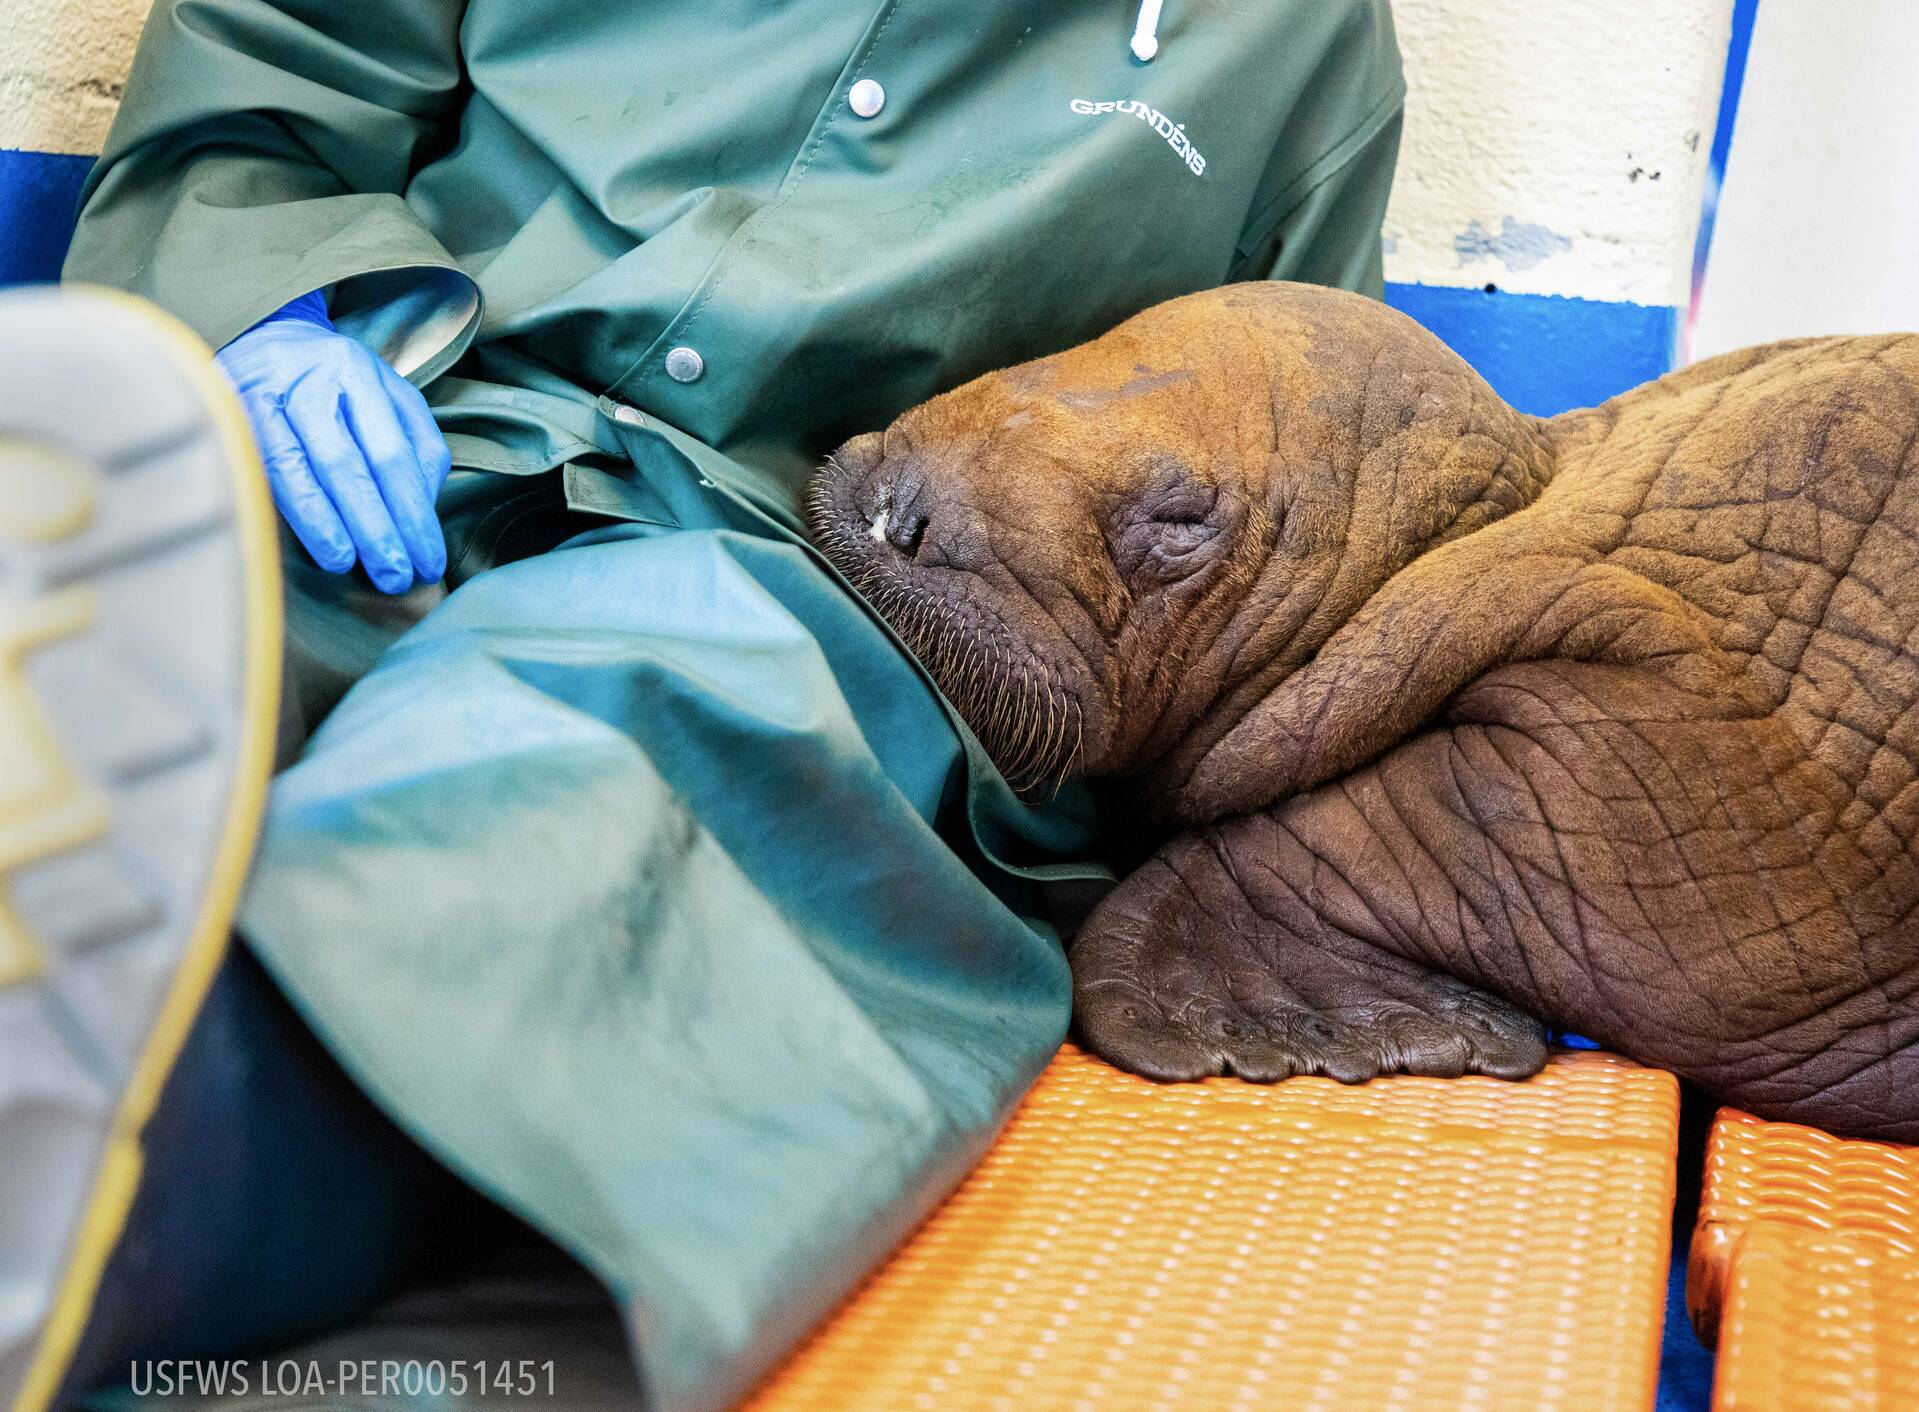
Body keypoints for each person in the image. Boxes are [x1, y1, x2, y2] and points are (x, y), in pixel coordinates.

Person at [6, 1, 1405, 1404]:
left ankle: (167, 1180)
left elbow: (1308, 499)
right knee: (128, 605)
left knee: (580, 736)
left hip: (819, 577)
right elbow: (276, 72)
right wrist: (269, 317)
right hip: (410, 429)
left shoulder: (1289, 43)